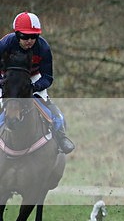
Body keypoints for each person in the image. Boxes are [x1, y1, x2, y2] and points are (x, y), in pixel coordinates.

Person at [0, 12, 75, 154]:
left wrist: (34, 87)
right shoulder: (5, 44)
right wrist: (3, 84)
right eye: (24, 36)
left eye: (33, 36)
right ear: (17, 34)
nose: (29, 40)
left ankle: (61, 138)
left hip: (33, 78)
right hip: (7, 79)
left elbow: (47, 77)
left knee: (54, 112)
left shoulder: (43, 47)